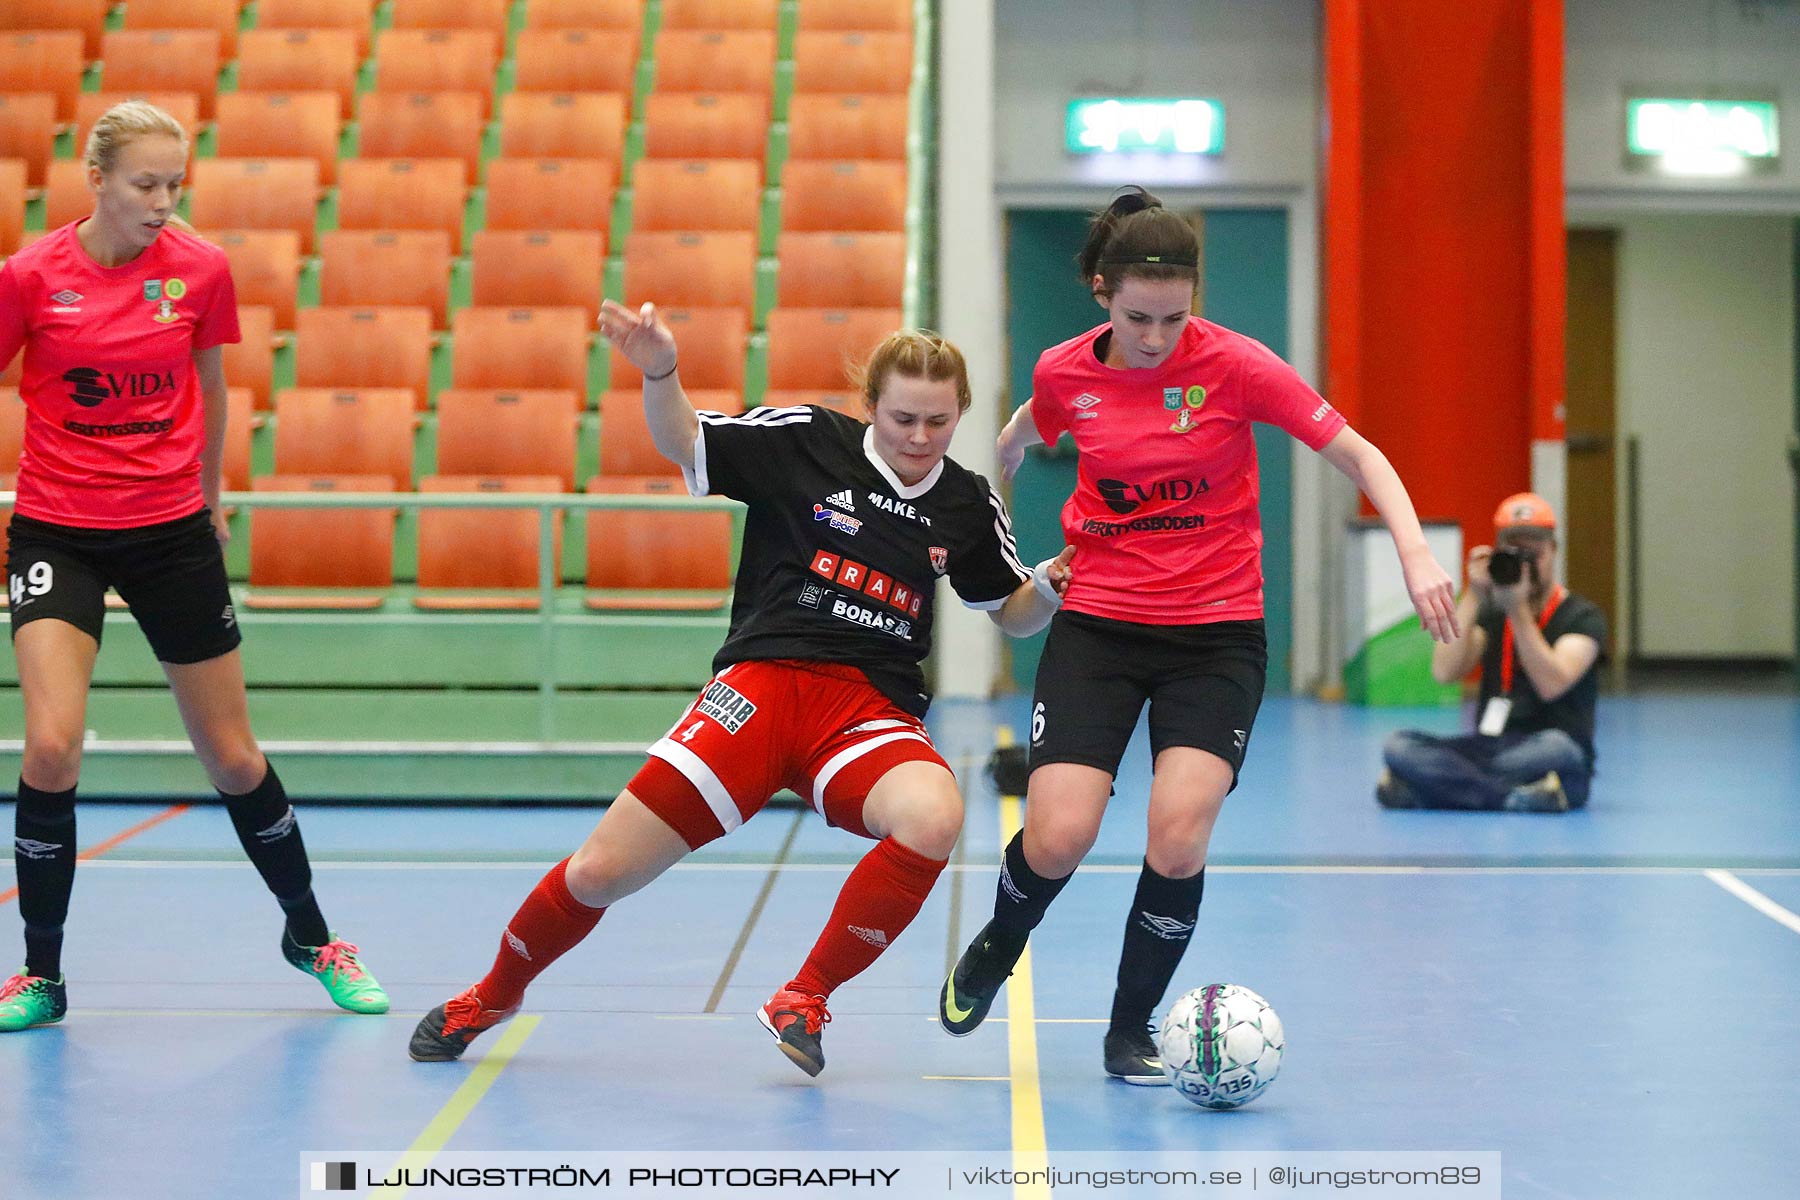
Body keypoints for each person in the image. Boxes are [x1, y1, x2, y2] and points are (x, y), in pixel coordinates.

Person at [409, 301, 1073, 1076]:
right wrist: (662, 369)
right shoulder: (803, 440)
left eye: (938, 422)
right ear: (869, 406)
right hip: (759, 691)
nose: (920, 439)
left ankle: (805, 996)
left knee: (934, 816)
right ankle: (493, 993)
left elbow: (1011, 612)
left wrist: (1051, 587)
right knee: (597, 872)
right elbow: (684, 439)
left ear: (960, 413)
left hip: (867, 711)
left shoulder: (965, 501)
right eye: (902, 419)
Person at [938, 186, 1459, 1083]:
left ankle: (1129, 1028)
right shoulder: (1068, 370)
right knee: (1058, 834)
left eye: (1174, 318)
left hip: (1216, 637)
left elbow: (1360, 454)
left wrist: (1415, 554)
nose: (1156, 337)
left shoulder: (1238, 366)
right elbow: (1031, 421)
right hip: (1100, 626)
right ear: (1102, 293)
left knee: (1179, 833)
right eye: (1138, 317)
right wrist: (1009, 459)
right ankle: (1002, 935)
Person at [0, 101, 387, 1032]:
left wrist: (210, 497)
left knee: (230, 755)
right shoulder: (27, 277)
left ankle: (312, 936)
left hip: (170, 530)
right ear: (96, 180)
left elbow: (209, 387)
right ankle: (41, 974)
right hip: (59, 528)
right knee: (51, 747)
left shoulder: (200, 271)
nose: (164, 202)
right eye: (145, 185)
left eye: (175, 184)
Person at [1377, 493, 1605, 813]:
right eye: (1515, 553)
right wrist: (1474, 595)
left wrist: (1518, 611)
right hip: (1490, 746)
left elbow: (1551, 683)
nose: (1525, 566)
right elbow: (1444, 671)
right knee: (1399, 746)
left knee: (1560, 751)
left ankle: (1434, 791)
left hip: (1548, 746)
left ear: (1553, 551)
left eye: (1534, 554)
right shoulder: (1493, 613)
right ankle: (1520, 796)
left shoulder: (1582, 617)